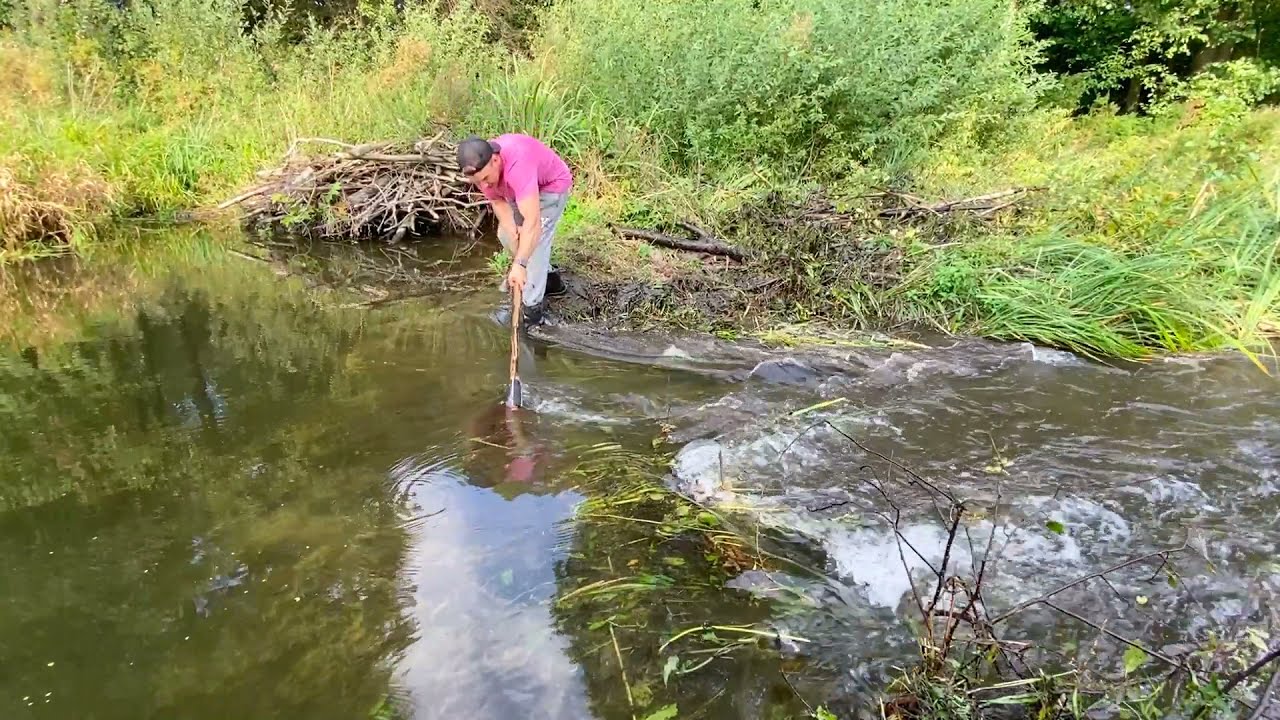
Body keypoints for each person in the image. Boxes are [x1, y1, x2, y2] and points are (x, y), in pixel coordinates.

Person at [456, 133, 572, 327]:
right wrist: (513, 232)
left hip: (550, 188)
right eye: (478, 182)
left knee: (534, 246)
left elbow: (533, 223)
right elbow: (497, 201)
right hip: (516, 191)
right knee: (505, 235)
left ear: (495, 159)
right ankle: (551, 281)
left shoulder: (517, 167)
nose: (483, 185)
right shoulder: (485, 172)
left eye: (485, 178)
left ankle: (532, 313)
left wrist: (519, 264)